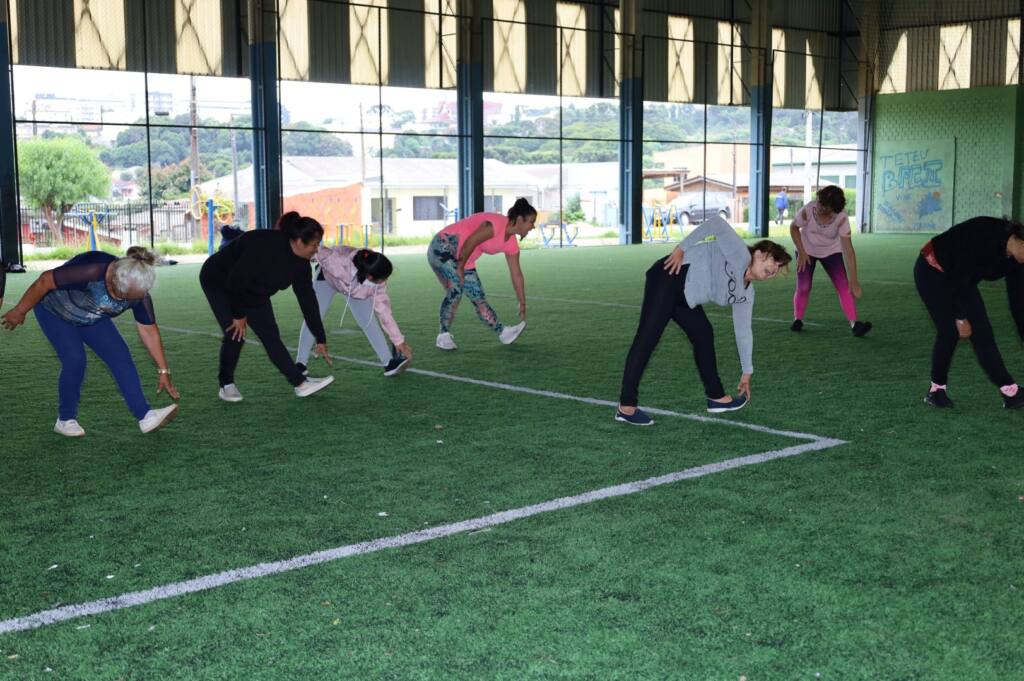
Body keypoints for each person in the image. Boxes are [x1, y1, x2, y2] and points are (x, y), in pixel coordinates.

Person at [616, 217, 792, 426]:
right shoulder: (740, 253)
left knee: (704, 334)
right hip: (669, 275)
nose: (774, 270)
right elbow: (716, 223)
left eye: (778, 269)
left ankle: (716, 397)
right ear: (760, 253)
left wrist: (747, 371)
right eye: (774, 261)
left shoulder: (747, 294)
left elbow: (744, 330)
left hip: (685, 298)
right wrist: (681, 248)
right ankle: (626, 407)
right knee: (647, 338)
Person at [1, 247, 180, 437]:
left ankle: (145, 416)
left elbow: (149, 331)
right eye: (122, 296)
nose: (124, 302)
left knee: (120, 357)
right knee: (75, 359)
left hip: (91, 316)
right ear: (113, 281)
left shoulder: (140, 296)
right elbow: (45, 280)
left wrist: (163, 370)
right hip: (54, 309)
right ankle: (65, 420)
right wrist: (19, 311)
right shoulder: (93, 269)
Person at [200, 211, 335, 402]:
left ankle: (300, 384)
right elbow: (236, 281)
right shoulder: (264, 247)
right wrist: (238, 315)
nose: (317, 249)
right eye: (314, 245)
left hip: (254, 291)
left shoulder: (301, 264)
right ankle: (226, 385)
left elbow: (308, 300)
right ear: (298, 241)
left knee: (270, 335)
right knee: (235, 334)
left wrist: (320, 337)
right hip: (219, 281)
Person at [915, 216, 1024, 409]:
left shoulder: (1017, 260)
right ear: (1021, 242)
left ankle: (1011, 392)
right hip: (932, 270)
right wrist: (960, 316)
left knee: (983, 332)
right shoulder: (987, 235)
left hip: (963, 280)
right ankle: (936, 391)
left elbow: (1018, 302)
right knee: (949, 332)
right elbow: (958, 274)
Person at [427, 198, 537, 350]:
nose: (533, 226)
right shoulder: (494, 225)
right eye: (531, 222)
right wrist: (460, 268)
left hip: (464, 259)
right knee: (455, 289)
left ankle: (503, 333)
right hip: (442, 246)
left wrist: (522, 301)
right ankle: (443, 336)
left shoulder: (511, 243)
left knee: (479, 298)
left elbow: (516, 273)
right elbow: (470, 242)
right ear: (519, 219)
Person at [295, 246, 413, 377]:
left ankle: (388, 363)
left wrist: (399, 341)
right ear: (370, 276)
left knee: (368, 322)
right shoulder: (339, 263)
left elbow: (384, 312)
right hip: (327, 278)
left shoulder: (378, 284)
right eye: (383, 278)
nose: (384, 282)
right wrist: (304, 255)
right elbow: (318, 250)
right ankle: (300, 363)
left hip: (356, 289)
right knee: (313, 317)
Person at [789, 185, 872, 336]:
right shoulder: (809, 209)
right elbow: (793, 227)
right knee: (804, 286)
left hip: (831, 251)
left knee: (843, 286)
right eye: (820, 201)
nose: (820, 207)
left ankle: (855, 324)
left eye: (826, 206)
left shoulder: (841, 218)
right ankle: (797, 319)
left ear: (834, 208)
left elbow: (848, 250)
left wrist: (854, 280)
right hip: (806, 249)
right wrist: (801, 251)